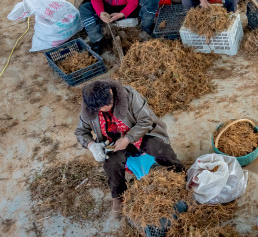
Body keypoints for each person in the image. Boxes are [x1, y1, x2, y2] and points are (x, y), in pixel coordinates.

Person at [74, 80, 185, 216]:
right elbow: (81, 132)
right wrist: (91, 145)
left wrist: (127, 139)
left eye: (108, 104)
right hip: (113, 141)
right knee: (111, 163)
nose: (106, 108)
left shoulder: (129, 95)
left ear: (110, 92)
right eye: (101, 108)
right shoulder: (89, 108)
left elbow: (145, 121)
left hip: (140, 132)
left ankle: (180, 174)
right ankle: (118, 196)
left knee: (160, 149)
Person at [79, 0, 160, 53]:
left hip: (130, 8)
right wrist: (101, 13)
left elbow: (133, 2)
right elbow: (96, 0)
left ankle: (146, 29)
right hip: (109, 9)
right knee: (84, 8)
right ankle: (97, 40)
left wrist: (122, 14)